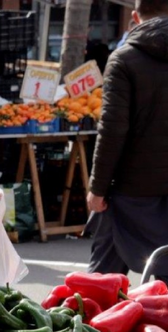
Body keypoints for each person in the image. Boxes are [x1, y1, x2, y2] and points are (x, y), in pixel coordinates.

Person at [86, 0, 168, 284]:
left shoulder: (124, 59)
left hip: (131, 187)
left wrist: (97, 188)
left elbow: (112, 130)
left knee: (102, 281)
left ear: (134, 17)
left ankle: (90, 326)